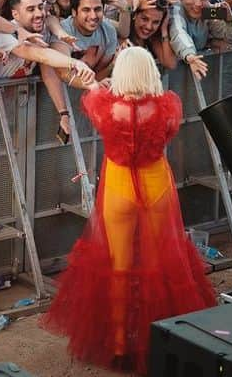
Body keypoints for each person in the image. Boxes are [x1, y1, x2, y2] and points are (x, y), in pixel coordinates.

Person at [43, 47, 216, 372]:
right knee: (160, 264)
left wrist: (96, 86)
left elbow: (95, 105)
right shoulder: (166, 105)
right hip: (156, 186)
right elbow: (169, 131)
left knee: (119, 266)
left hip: (118, 188)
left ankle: (121, 343)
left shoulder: (105, 106)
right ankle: (159, 340)